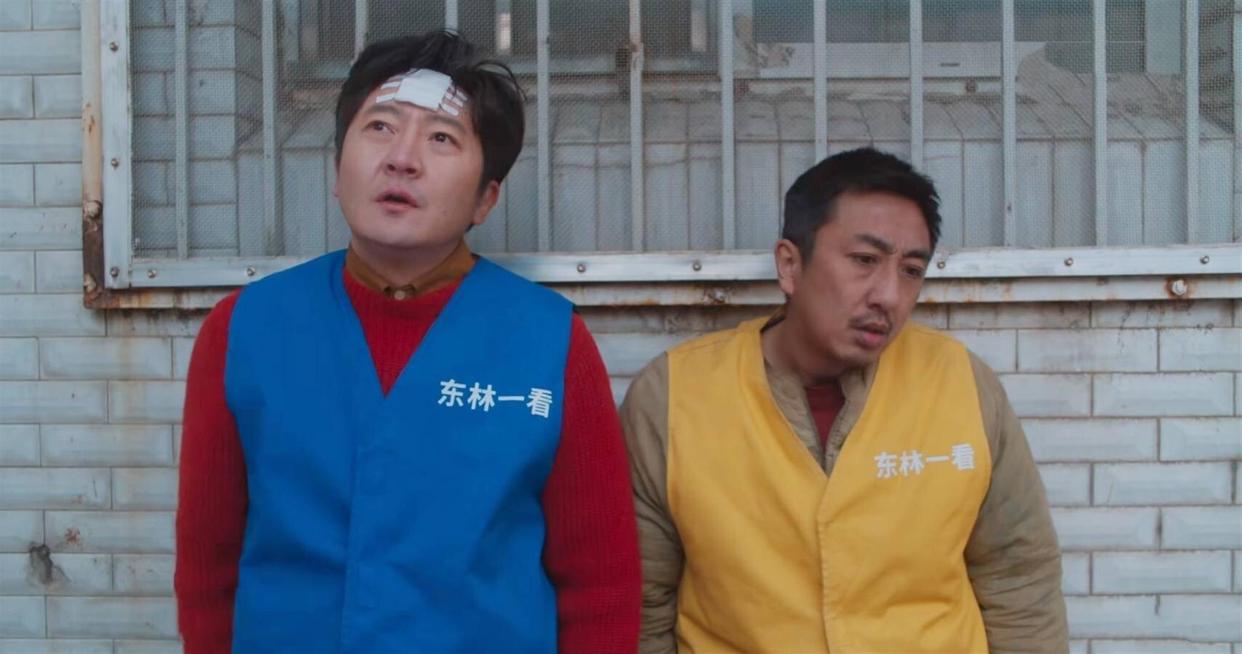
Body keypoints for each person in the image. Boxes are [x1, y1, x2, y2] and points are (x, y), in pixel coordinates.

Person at [175, 30, 640, 653]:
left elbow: (600, 583)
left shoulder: (550, 343)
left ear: (486, 198)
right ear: (337, 169)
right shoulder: (243, 330)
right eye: (379, 127)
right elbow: (208, 565)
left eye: (442, 138)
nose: (402, 158)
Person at [620, 147, 1067, 653]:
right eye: (864, 260)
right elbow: (641, 603)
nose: (889, 296)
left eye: (911, 270)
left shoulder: (963, 384)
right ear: (790, 265)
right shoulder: (675, 396)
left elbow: (1019, 578)